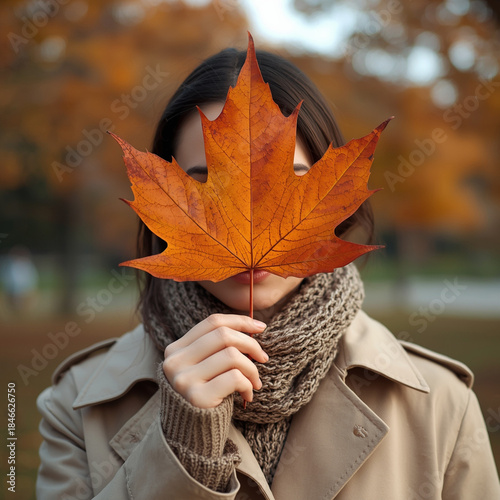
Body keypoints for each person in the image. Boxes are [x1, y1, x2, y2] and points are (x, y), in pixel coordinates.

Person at [36, 39, 500, 500]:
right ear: (162, 206)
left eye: (297, 179)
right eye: (201, 183)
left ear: (334, 201)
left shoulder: (441, 404)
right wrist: (180, 452)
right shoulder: (78, 405)